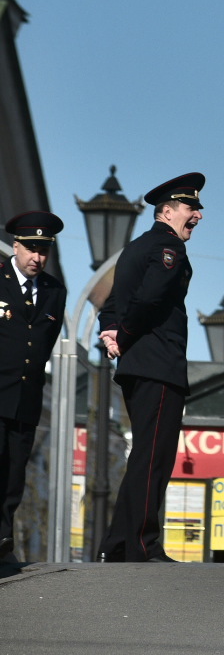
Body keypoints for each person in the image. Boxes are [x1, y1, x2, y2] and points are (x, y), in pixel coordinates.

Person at [97, 173, 205, 563]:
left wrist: (110, 330)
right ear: (168, 210)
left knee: (144, 453)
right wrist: (122, 334)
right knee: (154, 456)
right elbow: (149, 298)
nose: (198, 215)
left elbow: (113, 299)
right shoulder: (167, 247)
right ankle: (143, 544)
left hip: (138, 366)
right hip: (158, 364)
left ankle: (119, 543)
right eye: (191, 208)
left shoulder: (135, 247)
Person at [0, 212, 67, 561]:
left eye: (43, 251)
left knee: (13, 474)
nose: (37, 258)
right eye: (31, 249)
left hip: (26, 398)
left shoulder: (55, 291)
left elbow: (44, 343)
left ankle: (3, 539)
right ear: (16, 246)